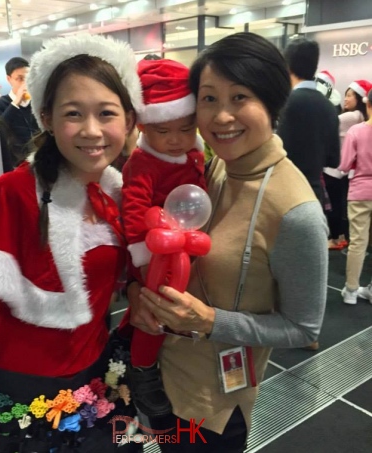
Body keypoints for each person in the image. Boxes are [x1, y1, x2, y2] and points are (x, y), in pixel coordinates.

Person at [0, 34, 144, 452]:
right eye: (74, 114)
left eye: (106, 113)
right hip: (21, 387)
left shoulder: (122, 194)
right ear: (48, 119)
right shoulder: (16, 191)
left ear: (128, 119)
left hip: (94, 375)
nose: (92, 131)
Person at [127, 32, 328, 452]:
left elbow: (303, 326)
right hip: (164, 378)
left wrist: (208, 321)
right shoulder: (214, 170)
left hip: (213, 407)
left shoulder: (295, 210)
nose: (221, 117)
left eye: (240, 97)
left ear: (272, 101)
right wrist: (139, 294)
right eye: (209, 99)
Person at [121, 58, 206, 417]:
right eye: (163, 131)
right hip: (155, 252)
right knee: (152, 312)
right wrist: (144, 255)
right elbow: (133, 208)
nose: (175, 140)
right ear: (143, 127)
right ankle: (142, 369)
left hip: (187, 245)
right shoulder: (141, 163)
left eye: (185, 129)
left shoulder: (194, 153)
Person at [277, 38, 340, 205]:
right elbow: (334, 160)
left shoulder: (283, 103)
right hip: (313, 195)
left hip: (284, 193)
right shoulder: (329, 107)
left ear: (287, 66)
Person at [324, 79, 372, 250]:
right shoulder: (360, 119)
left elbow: (327, 125)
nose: (345, 99)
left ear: (362, 100)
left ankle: (336, 237)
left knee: (335, 207)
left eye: (350, 95)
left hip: (338, 169)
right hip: (350, 173)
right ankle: (341, 236)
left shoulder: (350, 118)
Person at [338, 88, 372, 305]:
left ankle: (351, 291)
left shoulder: (356, 132)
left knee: (358, 242)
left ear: (367, 103)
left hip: (360, 190)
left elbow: (343, 165)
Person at [0, 56, 40, 164]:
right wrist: (16, 102)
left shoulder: (36, 103)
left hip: (39, 159)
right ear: (9, 79)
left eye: (27, 78)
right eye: (20, 79)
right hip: (16, 162)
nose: (25, 83)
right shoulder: (1, 103)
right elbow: (1, 128)